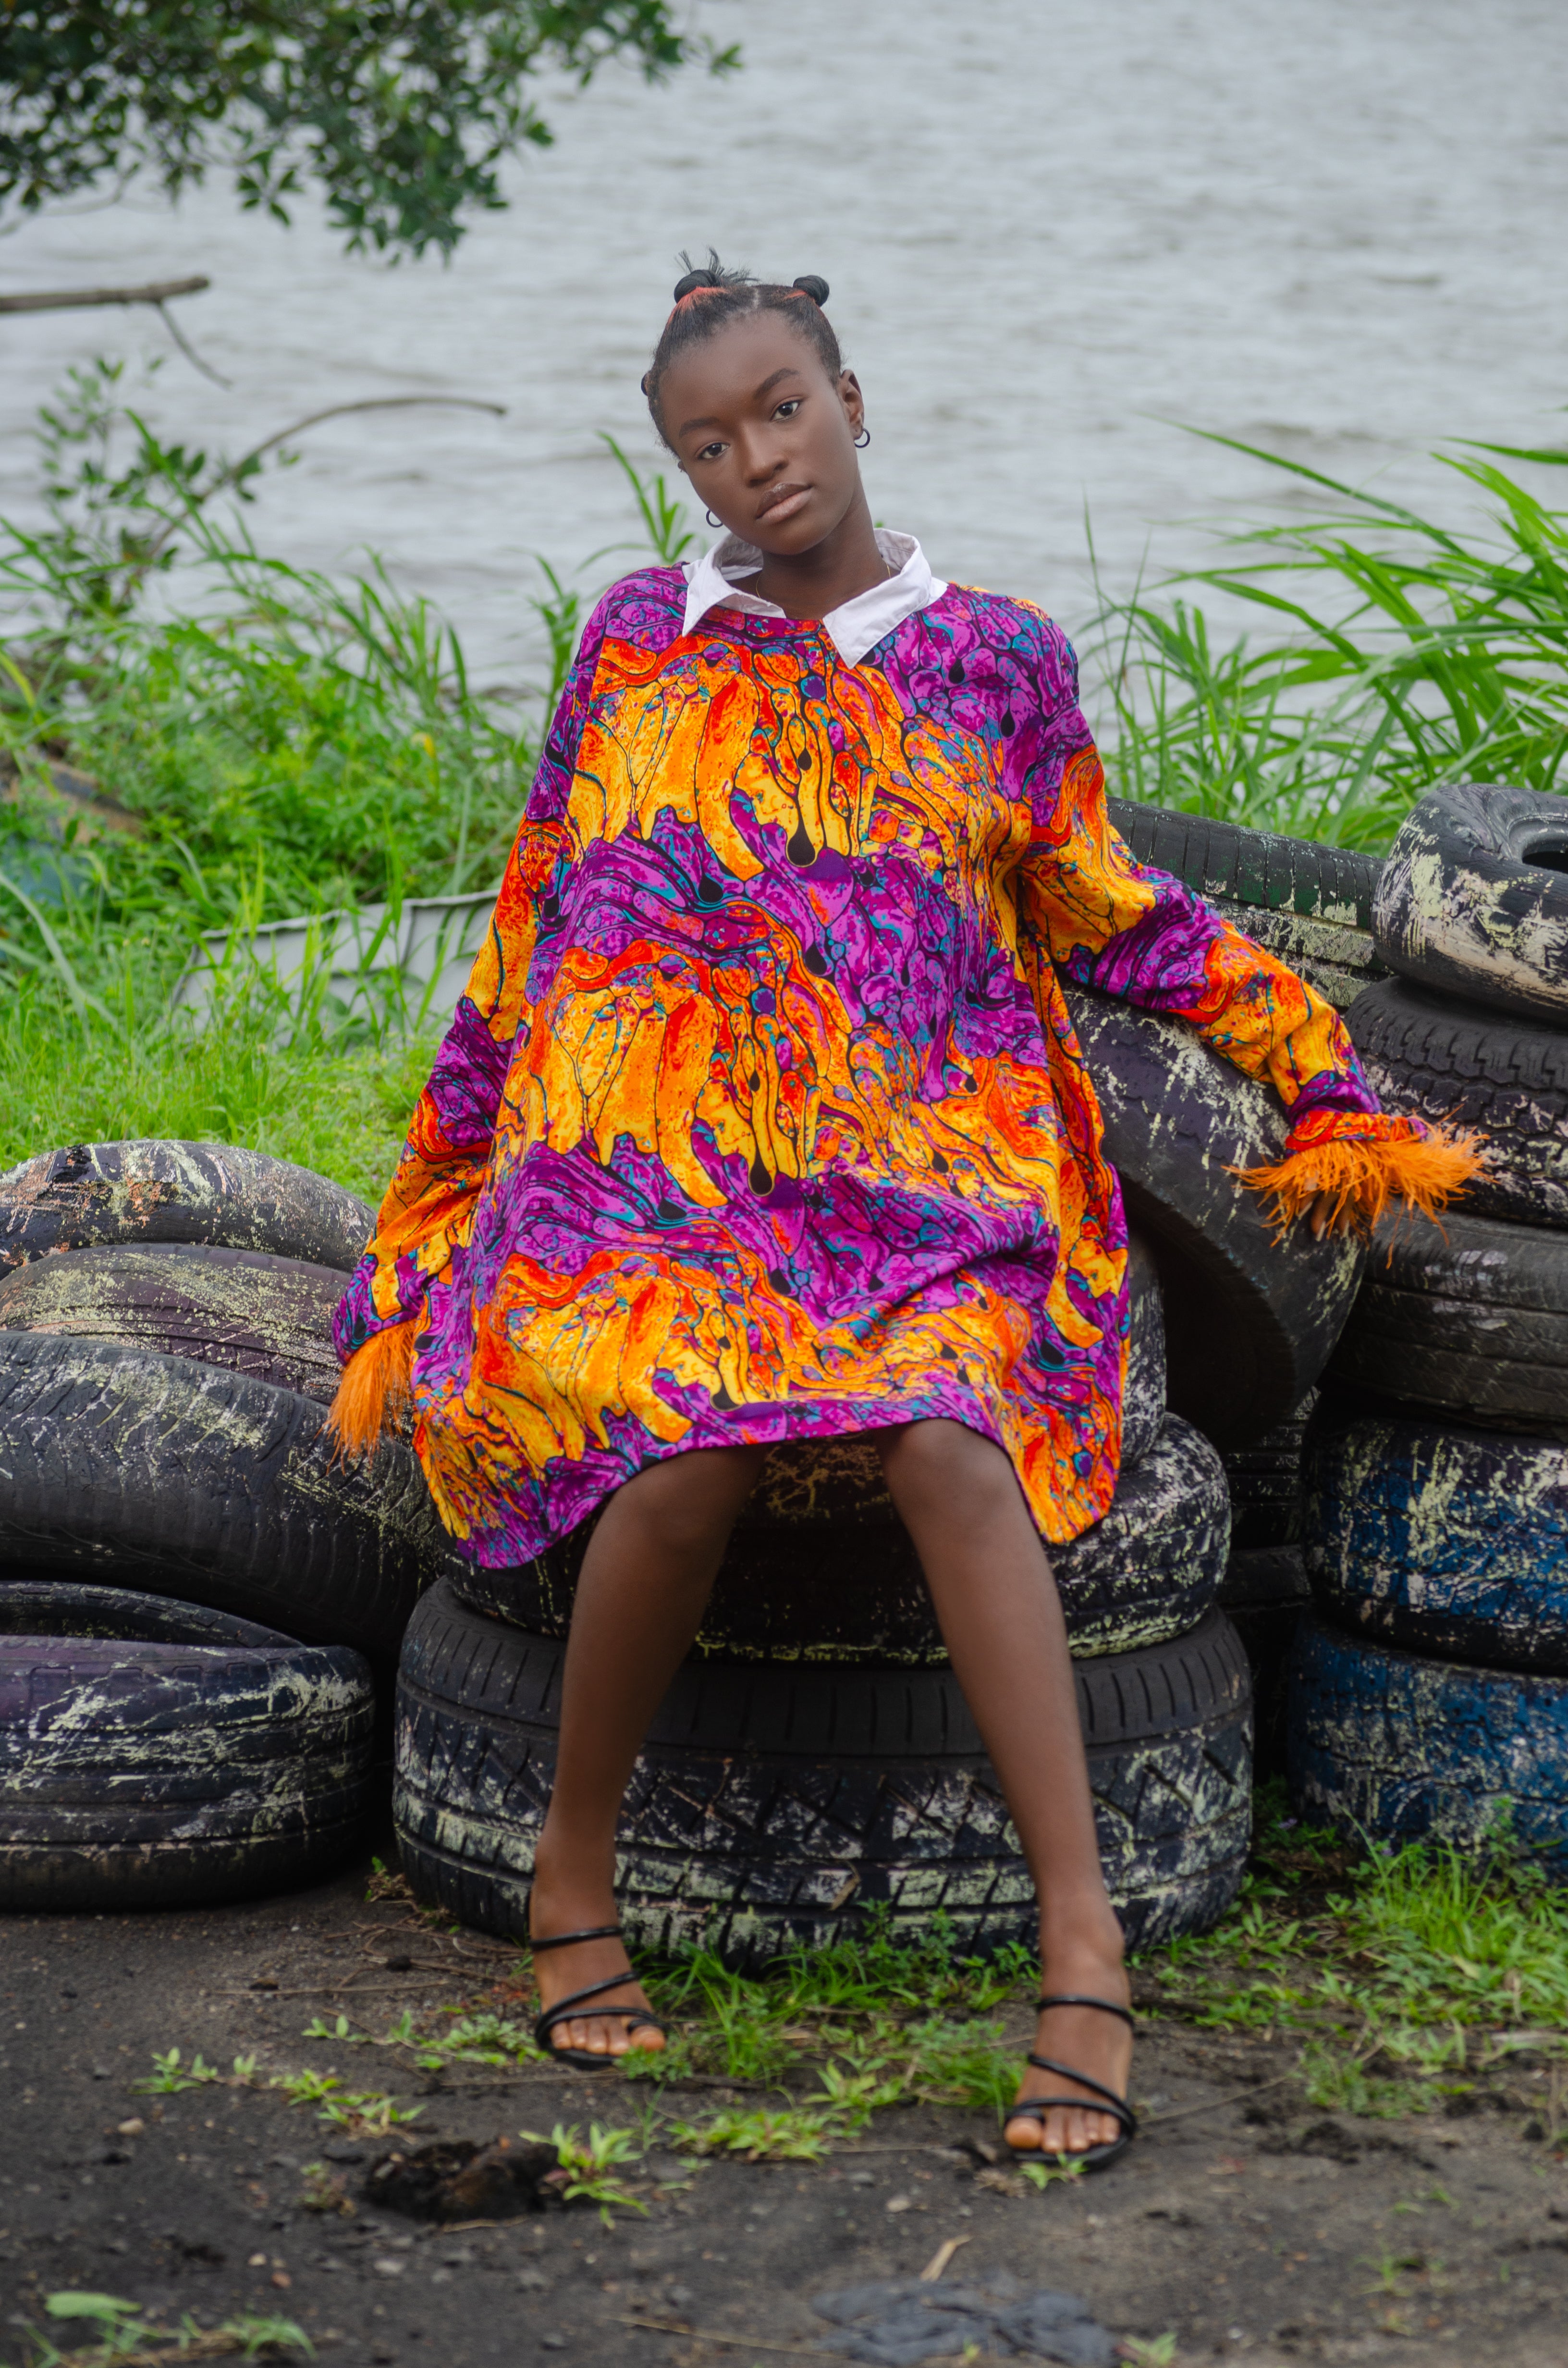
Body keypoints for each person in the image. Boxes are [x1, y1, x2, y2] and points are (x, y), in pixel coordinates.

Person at [330, 258, 1478, 2171]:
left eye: (782, 408)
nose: (754, 460)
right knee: (679, 1451)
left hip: (929, 1183)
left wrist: (1323, 1068)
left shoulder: (995, 659)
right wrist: (427, 1215)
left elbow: (1113, 904)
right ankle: (570, 1869)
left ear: (852, 397)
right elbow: (537, 931)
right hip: (661, 1200)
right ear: (680, 466)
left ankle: (1083, 1950)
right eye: (707, 439)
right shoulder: (632, 641)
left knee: (950, 1424)